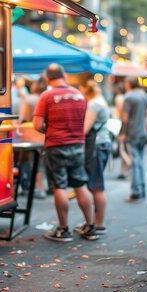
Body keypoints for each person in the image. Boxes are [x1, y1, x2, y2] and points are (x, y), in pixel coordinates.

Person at [33, 64, 98, 242]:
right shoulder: (79, 95)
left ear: (48, 78)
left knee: (59, 186)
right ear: (65, 76)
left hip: (56, 146)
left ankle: (63, 230)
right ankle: (90, 227)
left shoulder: (46, 95)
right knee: (80, 184)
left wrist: (52, 130)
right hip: (78, 145)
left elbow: (37, 125)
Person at [75, 80, 111, 236]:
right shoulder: (101, 100)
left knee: (96, 186)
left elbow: (84, 129)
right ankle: (96, 221)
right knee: (96, 184)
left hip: (96, 145)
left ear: (85, 90)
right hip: (103, 144)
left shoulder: (93, 104)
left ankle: (99, 223)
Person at [120, 76, 147, 202]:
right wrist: (144, 125)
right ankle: (142, 189)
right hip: (142, 132)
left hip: (132, 132)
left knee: (135, 162)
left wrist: (122, 132)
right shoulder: (143, 95)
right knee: (140, 161)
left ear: (129, 84)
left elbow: (125, 118)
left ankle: (136, 191)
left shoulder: (128, 97)